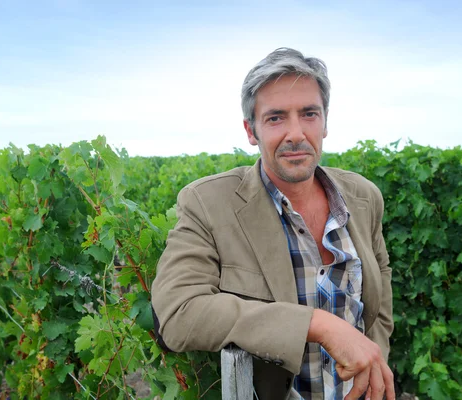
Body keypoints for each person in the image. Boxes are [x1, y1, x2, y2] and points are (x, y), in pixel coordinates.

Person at [151, 47, 394, 400]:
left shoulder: (364, 197)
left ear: (325, 122)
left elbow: (380, 305)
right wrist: (317, 325)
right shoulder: (208, 203)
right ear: (251, 131)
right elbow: (178, 312)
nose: (296, 133)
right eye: (276, 118)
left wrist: (375, 368)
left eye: (309, 114)